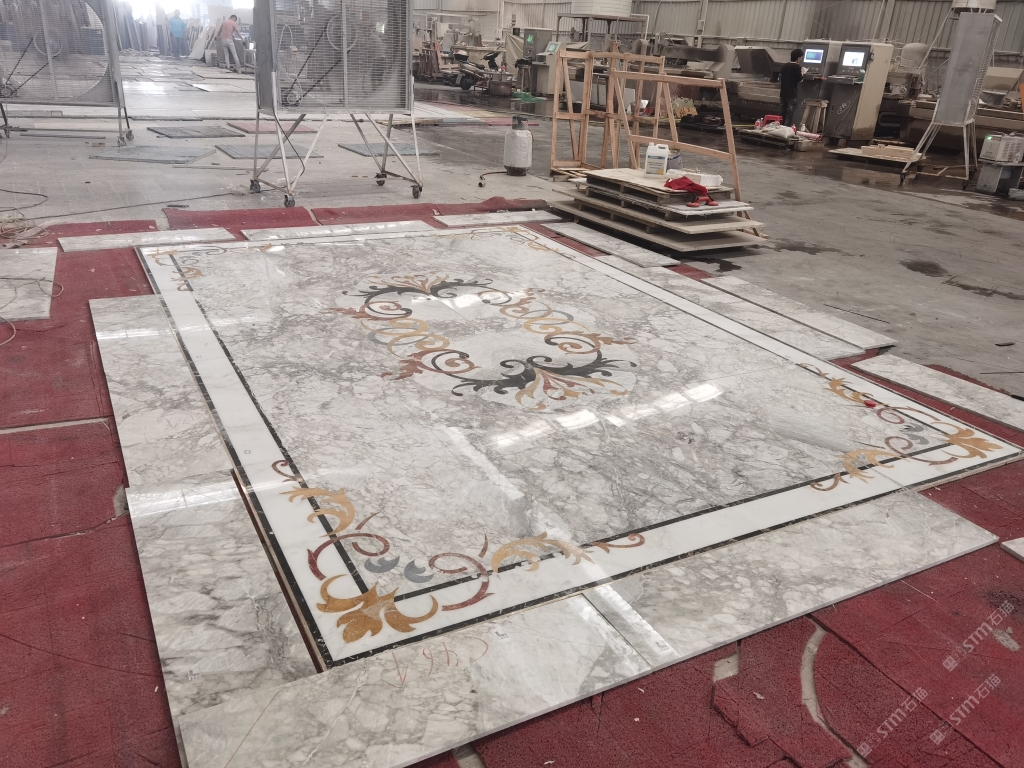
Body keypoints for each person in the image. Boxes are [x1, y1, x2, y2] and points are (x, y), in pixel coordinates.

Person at [780, 49, 804, 127]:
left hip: (783, 93)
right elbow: (801, 80)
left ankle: (778, 127)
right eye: (801, 57)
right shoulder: (797, 67)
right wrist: (802, 72)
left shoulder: (785, 66)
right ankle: (785, 129)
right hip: (792, 94)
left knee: (782, 113)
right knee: (789, 115)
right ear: (798, 58)